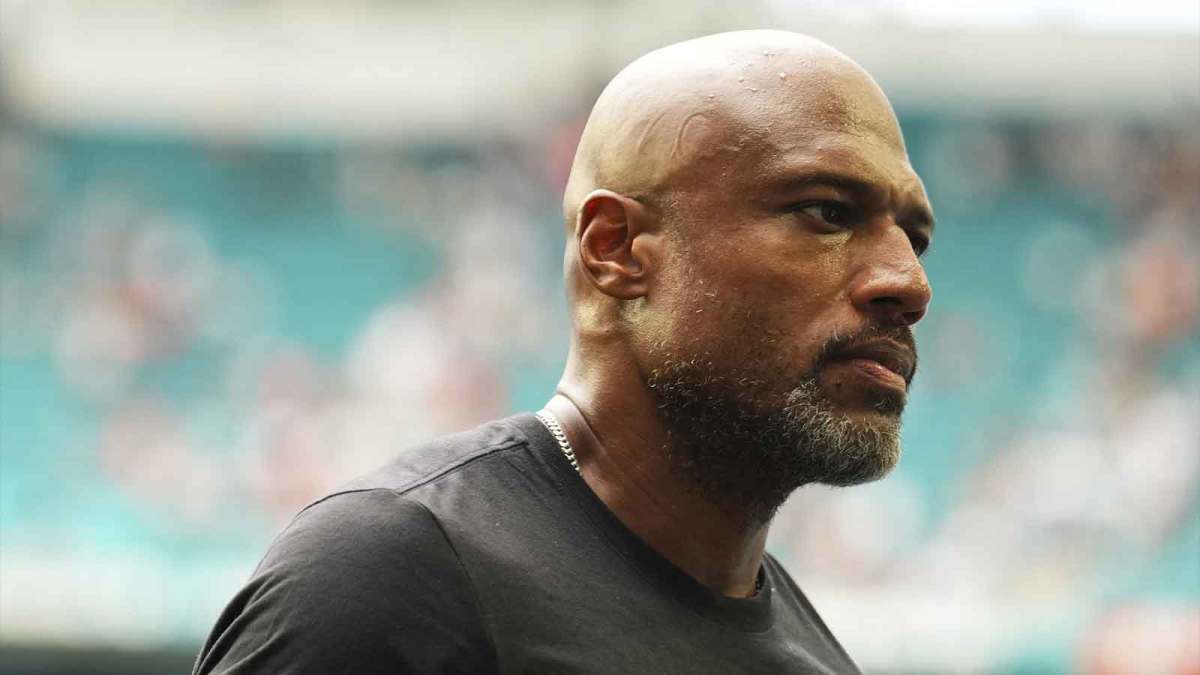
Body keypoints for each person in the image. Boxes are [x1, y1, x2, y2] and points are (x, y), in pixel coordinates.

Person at [194, 29, 934, 674]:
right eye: (827, 212)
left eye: (916, 238)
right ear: (616, 248)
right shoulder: (397, 580)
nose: (910, 282)